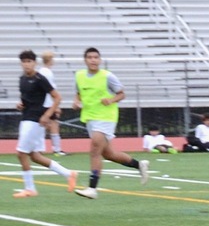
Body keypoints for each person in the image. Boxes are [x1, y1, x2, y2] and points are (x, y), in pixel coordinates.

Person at [71, 47, 149, 199]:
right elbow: (79, 94)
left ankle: (92, 188)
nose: (93, 60)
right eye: (90, 57)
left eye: (96, 57)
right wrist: (76, 102)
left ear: (100, 60)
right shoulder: (79, 76)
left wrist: (111, 100)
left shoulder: (108, 76)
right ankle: (139, 165)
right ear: (85, 60)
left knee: (94, 150)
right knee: (109, 154)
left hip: (106, 117)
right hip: (90, 118)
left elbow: (121, 94)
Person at [12, 49, 76, 197]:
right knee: (35, 156)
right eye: (24, 61)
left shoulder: (40, 79)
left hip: (35, 120)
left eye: (29, 61)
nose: (27, 64)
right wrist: (20, 104)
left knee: (21, 153)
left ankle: (30, 188)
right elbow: (26, 98)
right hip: (26, 118)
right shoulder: (22, 79)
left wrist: (47, 115)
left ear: (35, 63)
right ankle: (68, 174)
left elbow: (57, 97)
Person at [38, 50, 63, 154]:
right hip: (48, 104)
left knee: (42, 126)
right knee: (54, 125)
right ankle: (56, 149)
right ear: (50, 60)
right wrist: (56, 106)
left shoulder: (40, 71)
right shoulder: (48, 73)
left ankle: (39, 149)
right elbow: (51, 91)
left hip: (41, 103)